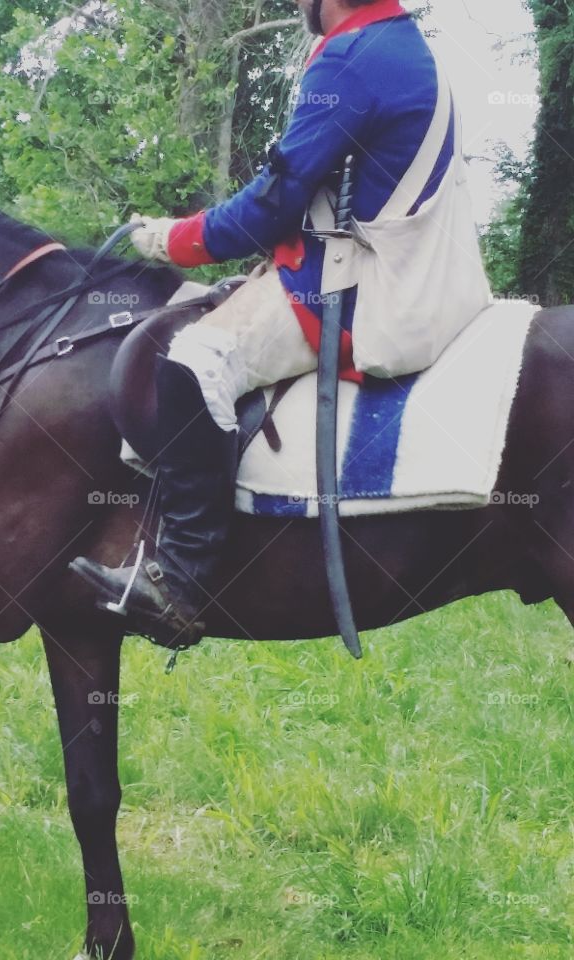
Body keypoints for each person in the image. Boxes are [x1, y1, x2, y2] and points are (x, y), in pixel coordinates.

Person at [71, 0, 490, 649]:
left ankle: (179, 582)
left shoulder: (355, 58)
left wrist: (166, 237)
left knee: (194, 361)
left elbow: (265, 211)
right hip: (391, 268)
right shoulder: (400, 44)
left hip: (371, 287)